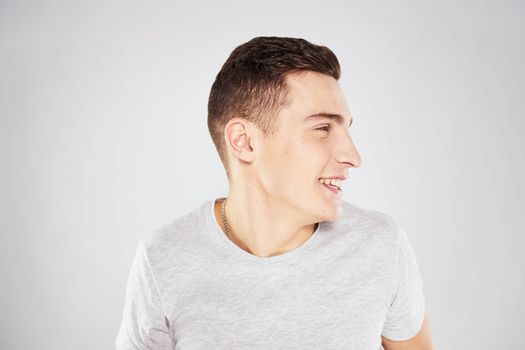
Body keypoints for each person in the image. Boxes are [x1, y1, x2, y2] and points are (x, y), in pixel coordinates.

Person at [115, 36, 433, 349]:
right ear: (244, 141)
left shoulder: (381, 246)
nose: (353, 156)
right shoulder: (162, 260)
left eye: (346, 128)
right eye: (323, 128)